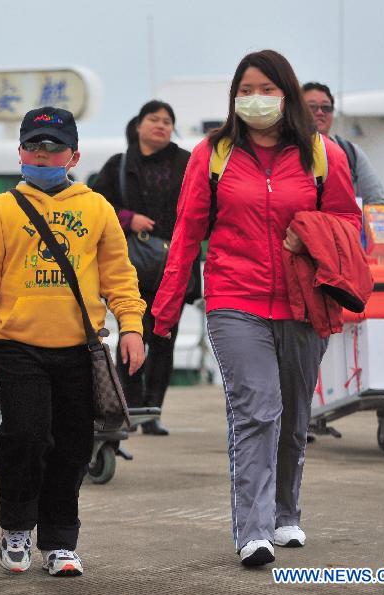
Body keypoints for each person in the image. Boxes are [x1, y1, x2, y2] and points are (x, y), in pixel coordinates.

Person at [152, 50, 361, 566]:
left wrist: (309, 237)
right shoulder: (213, 154)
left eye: (268, 89)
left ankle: (287, 515)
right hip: (234, 299)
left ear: (286, 95)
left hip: (302, 301)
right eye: (247, 89)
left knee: (292, 417)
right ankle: (254, 530)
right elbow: (187, 234)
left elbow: (349, 225)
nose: (256, 99)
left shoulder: (322, 154)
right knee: (257, 410)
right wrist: (164, 309)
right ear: (234, 96)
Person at [0, 107, 146, 577]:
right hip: (16, 345)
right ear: (20, 151)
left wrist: (132, 327)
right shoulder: (0, 209)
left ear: (74, 155)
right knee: (24, 435)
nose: (43, 155)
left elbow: (120, 277)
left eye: (54, 147)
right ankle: (17, 529)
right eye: (35, 146)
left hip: (79, 347)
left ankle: (61, 541)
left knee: (72, 444)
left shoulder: (97, 207)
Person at [92, 100, 192, 436]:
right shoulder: (119, 164)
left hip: (174, 266)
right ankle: (129, 406)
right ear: (139, 125)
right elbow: (96, 204)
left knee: (165, 340)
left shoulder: (186, 163)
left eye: (168, 120)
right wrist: (128, 219)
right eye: (154, 119)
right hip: (130, 267)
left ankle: (153, 412)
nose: (161, 125)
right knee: (133, 336)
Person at [302, 82, 384, 203]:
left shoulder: (351, 153)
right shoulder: (285, 152)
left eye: (326, 107)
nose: (320, 112)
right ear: (297, 110)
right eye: (312, 107)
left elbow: (376, 201)